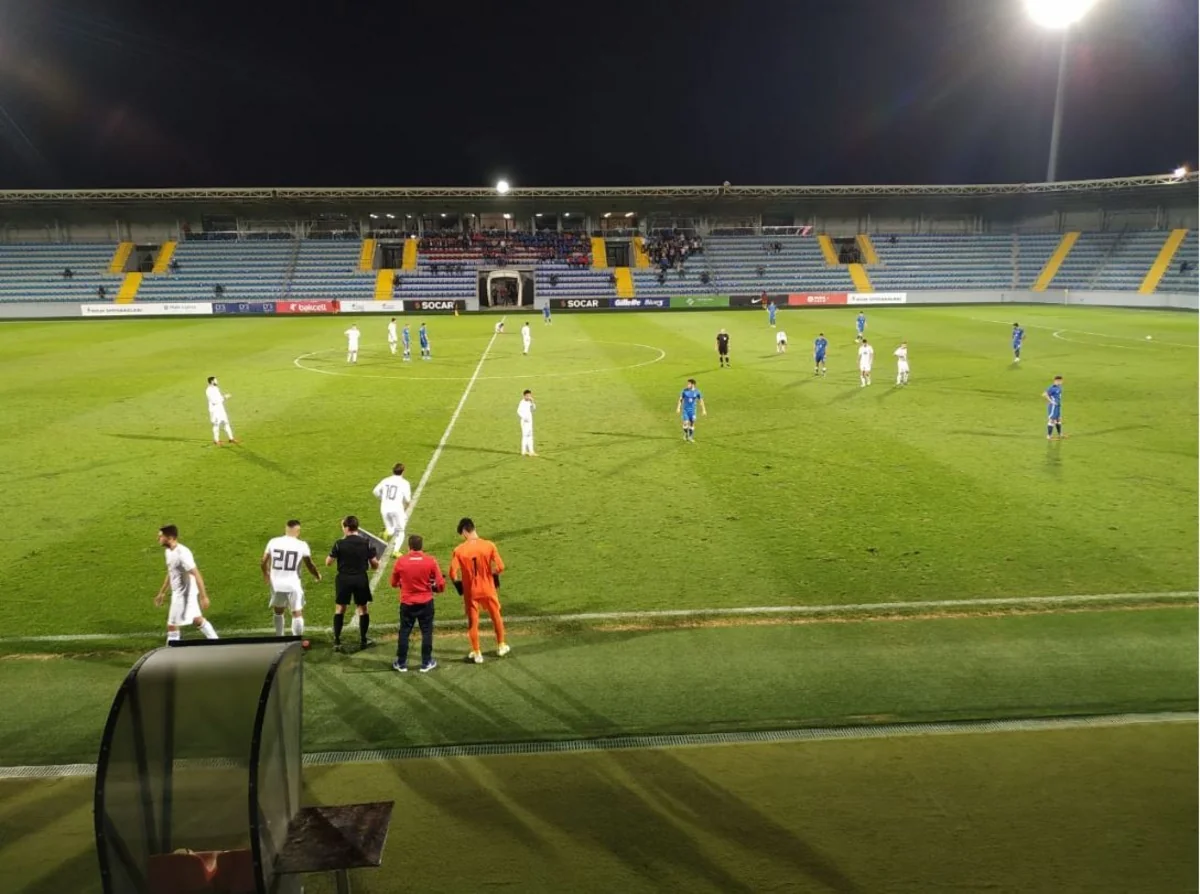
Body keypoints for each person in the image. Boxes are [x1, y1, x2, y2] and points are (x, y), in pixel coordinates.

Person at [449, 518, 509, 664]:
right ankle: (501, 645)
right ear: (473, 528)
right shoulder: (489, 545)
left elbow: (452, 573)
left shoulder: (459, 550)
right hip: (488, 588)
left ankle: (477, 653)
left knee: (473, 622)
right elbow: (500, 567)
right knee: (496, 616)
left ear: (464, 531)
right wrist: (493, 574)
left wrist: (459, 585)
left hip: (471, 592)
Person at [325, 515, 381, 652]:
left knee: (340, 609)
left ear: (346, 528)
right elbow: (375, 565)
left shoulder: (339, 543)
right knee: (363, 609)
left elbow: (328, 562)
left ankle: (337, 641)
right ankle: (363, 640)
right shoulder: (366, 542)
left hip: (343, 579)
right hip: (360, 578)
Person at [154, 525, 219, 643]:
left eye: (161, 536)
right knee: (197, 619)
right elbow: (171, 572)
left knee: (172, 626)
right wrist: (162, 592)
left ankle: (171, 651)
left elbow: (196, 574)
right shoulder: (168, 551)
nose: (158, 538)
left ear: (170, 537)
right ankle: (215, 641)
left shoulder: (182, 554)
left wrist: (203, 597)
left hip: (184, 594)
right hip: (180, 592)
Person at [390, 534, 444, 673]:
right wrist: (436, 588)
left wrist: (402, 583)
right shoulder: (430, 561)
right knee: (426, 632)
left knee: (404, 632)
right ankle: (426, 662)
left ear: (409, 547)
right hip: (426, 602)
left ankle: (401, 663)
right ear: (421, 546)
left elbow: (393, 583)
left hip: (407, 603)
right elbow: (440, 584)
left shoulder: (401, 561)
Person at [261, 519, 321, 638]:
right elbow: (309, 564)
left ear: (286, 529)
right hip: (293, 584)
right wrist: (317, 575)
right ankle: (296, 639)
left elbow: (263, 561)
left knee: (278, 611)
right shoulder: (302, 545)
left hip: (276, 584)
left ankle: (279, 637)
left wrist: (266, 574)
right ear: (298, 531)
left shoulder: (273, 542)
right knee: (296, 612)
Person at [373, 462, 413, 545]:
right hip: (396, 508)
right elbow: (408, 499)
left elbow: (375, 491)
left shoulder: (385, 480)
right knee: (400, 530)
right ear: (403, 471)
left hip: (384, 508)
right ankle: (395, 550)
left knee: (391, 528)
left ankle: (387, 532)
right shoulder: (405, 483)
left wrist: (382, 498)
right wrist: (407, 505)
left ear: (393, 471)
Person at [205, 376, 237, 446]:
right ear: (212, 381)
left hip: (221, 409)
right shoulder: (208, 391)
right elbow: (214, 401)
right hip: (215, 410)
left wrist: (223, 397)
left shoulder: (216, 388)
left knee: (226, 422)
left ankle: (231, 438)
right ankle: (216, 440)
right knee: (216, 424)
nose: (217, 381)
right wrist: (224, 397)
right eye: (216, 380)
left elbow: (219, 398)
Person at [676, 378, 707, 442]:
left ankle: (690, 437)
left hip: (693, 411)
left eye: (689, 384)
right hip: (685, 410)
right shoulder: (684, 391)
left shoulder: (697, 392)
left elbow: (701, 401)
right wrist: (678, 407)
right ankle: (685, 434)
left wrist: (704, 410)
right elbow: (680, 399)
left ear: (693, 384)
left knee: (692, 423)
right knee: (685, 423)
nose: (687, 385)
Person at [1044, 375, 1064, 441]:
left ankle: (1060, 434)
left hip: (1058, 405)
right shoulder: (1052, 388)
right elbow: (1045, 394)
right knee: (1052, 420)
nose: (1062, 382)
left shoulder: (1059, 387)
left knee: (1058, 419)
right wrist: (1051, 401)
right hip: (1053, 406)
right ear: (1057, 381)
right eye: (1060, 381)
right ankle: (1049, 436)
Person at [518, 389, 537, 456]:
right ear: (524, 396)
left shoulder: (529, 402)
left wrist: (532, 402)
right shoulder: (522, 402)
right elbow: (518, 411)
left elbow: (533, 409)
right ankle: (524, 451)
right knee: (525, 436)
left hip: (530, 421)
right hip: (525, 422)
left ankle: (531, 451)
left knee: (530, 436)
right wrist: (524, 418)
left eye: (530, 395)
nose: (529, 397)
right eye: (527, 396)